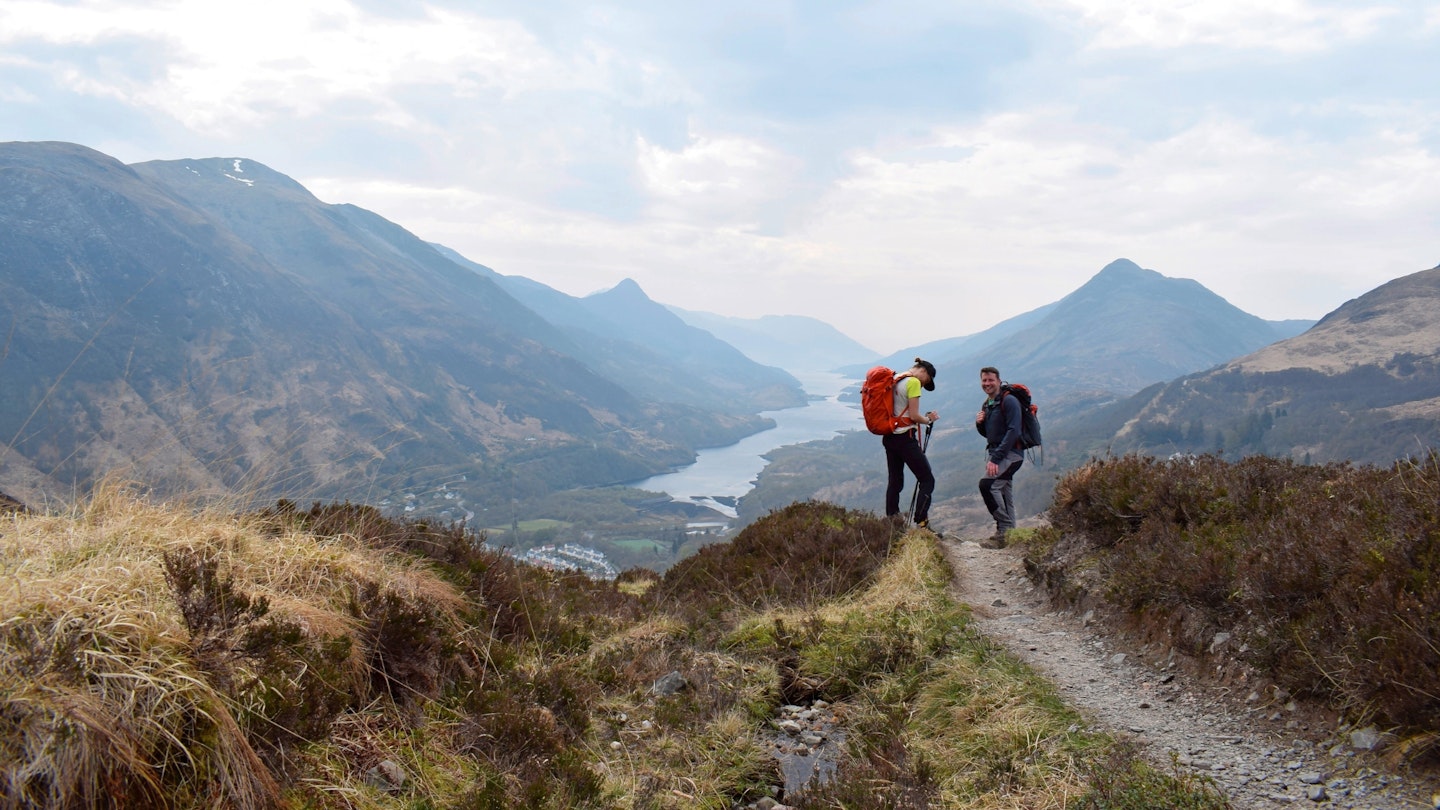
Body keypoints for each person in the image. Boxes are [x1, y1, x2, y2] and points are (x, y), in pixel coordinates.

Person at [884, 358, 939, 532]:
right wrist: (928, 419)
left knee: (895, 481)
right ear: (923, 371)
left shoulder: (896, 378)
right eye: (926, 381)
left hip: (889, 436)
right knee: (927, 479)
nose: (923, 385)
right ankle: (922, 522)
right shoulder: (914, 382)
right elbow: (914, 416)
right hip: (905, 438)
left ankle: (893, 522)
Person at [974, 366, 1022, 548]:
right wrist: (980, 424)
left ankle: (1004, 529)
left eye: (990, 380)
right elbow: (990, 434)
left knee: (987, 485)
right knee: (1003, 492)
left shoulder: (1009, 401)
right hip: (997, 453)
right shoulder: (988, 404)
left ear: (999, 381)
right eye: (984, 380)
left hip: (1012, 454)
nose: (987, 383)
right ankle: (1010, 536)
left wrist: (996, 459)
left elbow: (1014, 431)